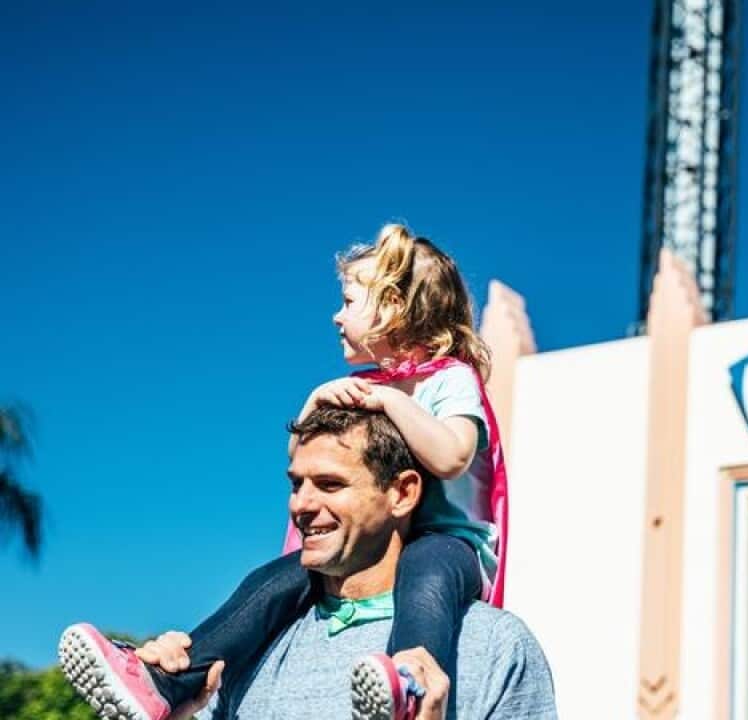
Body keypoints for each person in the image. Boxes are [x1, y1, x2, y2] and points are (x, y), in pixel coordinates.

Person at [60, 223, 508, 720]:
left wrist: (388, 402)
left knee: (425, 574)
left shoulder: (451, 380)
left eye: (349, 301)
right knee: (273, 579)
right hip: (394, 540)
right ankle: (171, 682)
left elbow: (451, 458)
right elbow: (303, 455)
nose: (337, 316)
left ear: (393, 307)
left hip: (451, 545)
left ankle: (413, 683)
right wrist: (315, 399)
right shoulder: (363, 385)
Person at [69, 406, 555, 719]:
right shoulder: (253, 646)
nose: (300, 505)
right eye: (295, 484)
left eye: (329, 484)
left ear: (402, 493)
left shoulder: (494, 646)